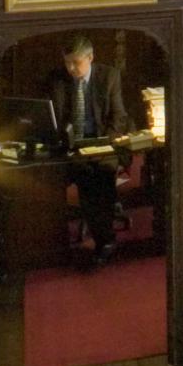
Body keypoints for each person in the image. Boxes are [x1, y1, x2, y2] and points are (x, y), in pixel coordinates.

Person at [42, 38, 128, 261]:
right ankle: (97, 238)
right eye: (67, 63)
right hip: (72, 145)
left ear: (90, 58)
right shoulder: (57, 79)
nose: (71, 68)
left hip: (103, 143)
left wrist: (102, 146)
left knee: (101, 174)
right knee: (82, 174)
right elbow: (54, 120)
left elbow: (118, 118)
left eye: (76, 63)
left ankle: (105, 240)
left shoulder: (108, 77)